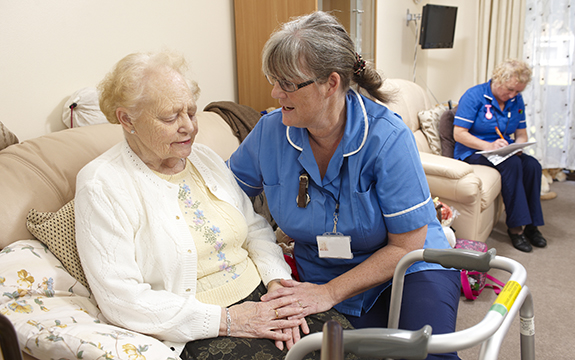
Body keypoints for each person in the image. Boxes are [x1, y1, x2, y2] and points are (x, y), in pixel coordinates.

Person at [74, 51, 355, 360]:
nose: (189, 127)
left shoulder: (203, 158)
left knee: (354, 351)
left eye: (191, 113)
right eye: (171, 117)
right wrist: (231, 320)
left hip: (264, 298)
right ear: (127, 119)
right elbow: (121, 300)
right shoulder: (102, 184)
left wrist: (279, 286)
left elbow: (254, 229)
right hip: (200, 325)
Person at [227, 12, 461, 360]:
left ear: (331, 83)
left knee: (424, 354)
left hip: (408, 267)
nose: (275, 93)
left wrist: (329, 294)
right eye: (273, 80)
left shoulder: (387, 137)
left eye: (288, 83)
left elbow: (405, 246)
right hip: (318, 271)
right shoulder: (269, 133)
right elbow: (223, 196)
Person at [453, 58, 546, 253]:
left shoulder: (515, 100)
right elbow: (459, 133)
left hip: (503, 151)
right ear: (498, 80)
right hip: (474, 152)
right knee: (512, 164)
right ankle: (516, 229)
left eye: (517, 91)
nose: (512, 95)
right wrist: (489, 145)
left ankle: (532, 226)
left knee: (532, 165)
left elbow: (521, 134)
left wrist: (519, 146)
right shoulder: (474, 96)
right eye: (509, 89)